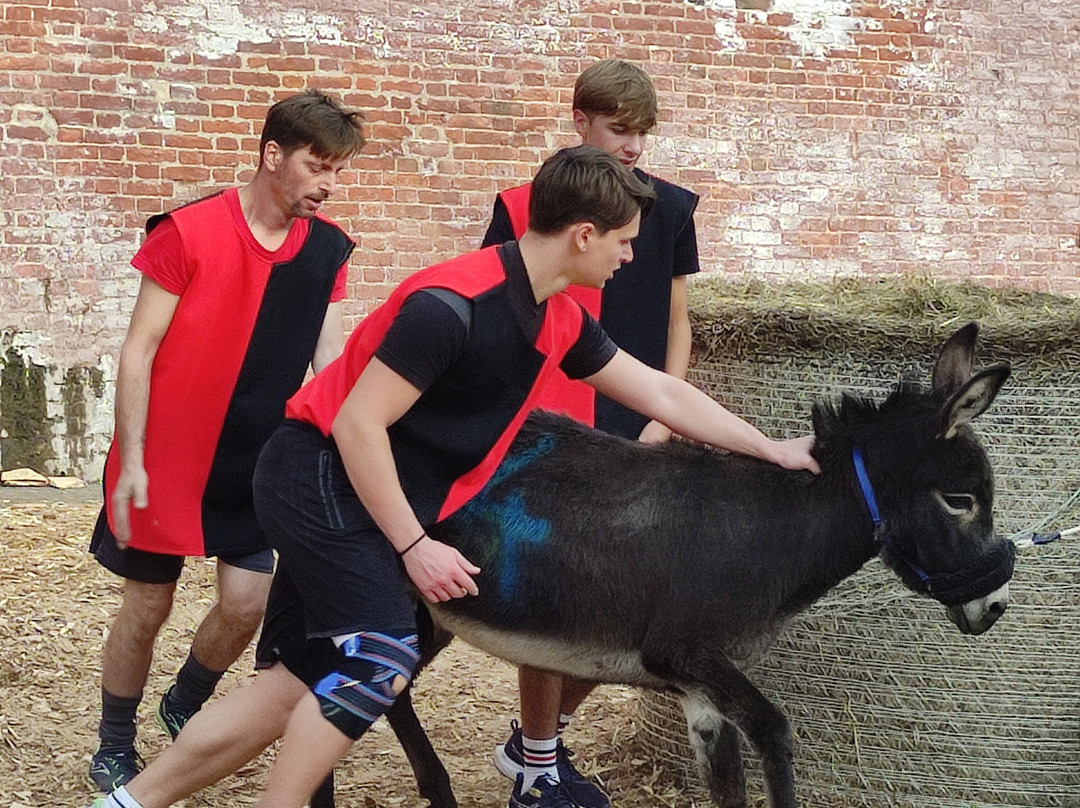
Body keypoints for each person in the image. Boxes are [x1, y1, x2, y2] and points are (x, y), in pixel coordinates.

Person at [87, 145, 819, 808]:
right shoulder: (452, 306)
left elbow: (661, 392)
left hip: (357, 484)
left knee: (296, 684)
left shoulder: (556, 316)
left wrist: (771, 449)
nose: (631, 259)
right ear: (584, 235)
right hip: (316, 474)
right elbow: (355, 425)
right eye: (626, 242)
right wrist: (413, 546)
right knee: (379, 652)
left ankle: (128, 802)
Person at [87, 89, 366, 794]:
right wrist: (130, 462)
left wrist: (345, 455)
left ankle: (185, 699)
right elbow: (138, 350)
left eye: (338, 169)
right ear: (273, 155)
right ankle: (115, 741)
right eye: (317, 165)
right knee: (146, 607)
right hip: (166, 459)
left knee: (246, 604)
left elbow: (328, 363)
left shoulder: (329, 249)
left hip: (260, 464)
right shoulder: (185, 231)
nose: (328, 183)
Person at [481, 59, 699, 808]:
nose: (633, 145)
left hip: (637, 419)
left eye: (642, 132)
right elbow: (495, 310)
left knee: (621, 614)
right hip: (548, 427)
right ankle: (538, 764)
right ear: (581, 122)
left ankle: (531, 746)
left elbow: (676, 321)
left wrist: (662, 419)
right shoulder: (521, 207)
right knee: (553, 599)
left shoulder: (669, 211)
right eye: (618, 129)